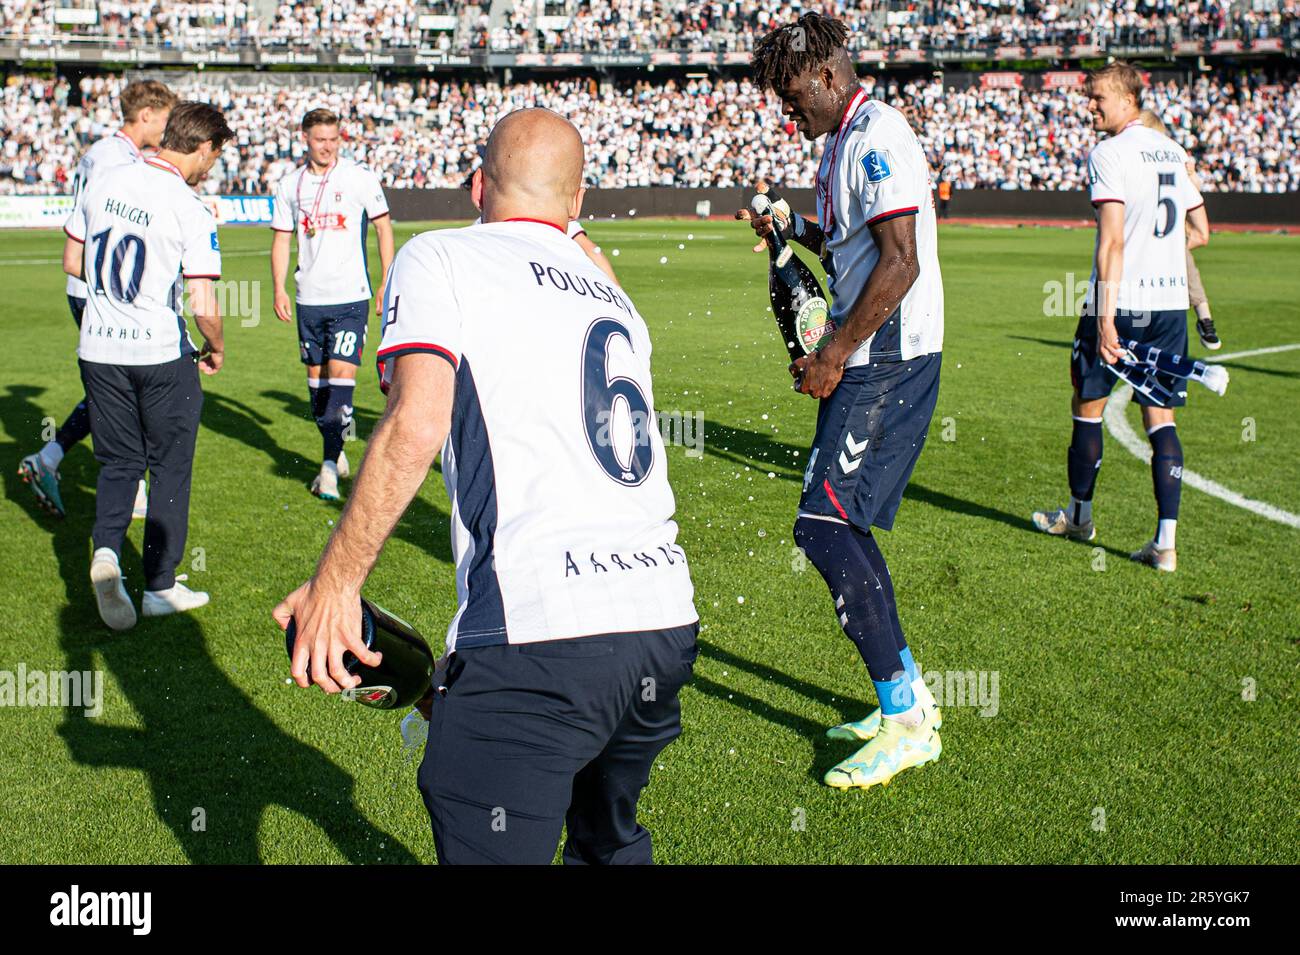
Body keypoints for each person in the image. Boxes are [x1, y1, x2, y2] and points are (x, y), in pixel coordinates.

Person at [274, 108, 699, 865]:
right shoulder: (613, 294)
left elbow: (416, 420)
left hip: (540, 634)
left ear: (477, 185)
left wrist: (337, 583)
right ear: (578, 202)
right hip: (661, 623)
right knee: (609, 843)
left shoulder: (441, 256)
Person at [737, 13, 945, 791]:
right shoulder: (842, 142)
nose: (792, 114)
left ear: (828, 77)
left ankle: (906, 720)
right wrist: (795, 228)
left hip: (885, 360)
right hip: (870, 358)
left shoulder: (877, 136)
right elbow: (854, 248)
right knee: (838, 522)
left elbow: (901, 265)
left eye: (795, 98)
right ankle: (909, 693)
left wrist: (830, 354)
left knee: (821, 528)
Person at [1032, 63, 1209, 572]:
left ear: (1129, 100)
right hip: (1170, 305)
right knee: (1161, 416)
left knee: (1087, 405)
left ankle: (1080, 518)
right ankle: (1166, 545)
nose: (1090, 105)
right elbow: (1200, 230)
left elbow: (1111, 242)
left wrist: (1106, 318)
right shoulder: (1173, 151)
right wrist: (1159, 250)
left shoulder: (1109, 153)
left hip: (1120, 303)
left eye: (1098, 97)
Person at [62, 102, 232, 630]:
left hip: (98, 347)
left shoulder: (106, 180)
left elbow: (73, 261)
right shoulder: (189, 206)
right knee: (170, 467)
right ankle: (159, 585)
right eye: (215, 156)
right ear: (202, 148)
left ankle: (108, 550)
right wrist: (217, 346)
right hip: (160, 354)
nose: (212, 167)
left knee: (117, 463)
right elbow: (202, 303)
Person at [20, 80, 177, 519]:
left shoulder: (106, 153)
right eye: (164, 119)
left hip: (93, 286)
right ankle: (129, 484)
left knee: (118, 389)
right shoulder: (115, 161)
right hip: (100, 287)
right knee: (131, 385)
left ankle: (52, 459)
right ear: (145, 114)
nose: (166, 129)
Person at [270, 108, 395, 501]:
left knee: (341, 383)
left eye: (333, 139)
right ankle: (336, 445)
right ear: (305, 138)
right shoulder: (289, 185)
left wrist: (386, 281)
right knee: (319, 394)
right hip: (310, 299)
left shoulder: (358, 178)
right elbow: (281, 240)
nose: (327, 147)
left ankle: (328, 467)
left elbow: (383, 226)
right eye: (319, 139)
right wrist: (278, 288)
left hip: (350, 298)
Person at [1136, 109, 1220, 351]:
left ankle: (1205, 318)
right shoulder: (1171, 152)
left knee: (1185, 265)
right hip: (1159, 228)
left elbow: (1194, 192)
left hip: (1166, 228)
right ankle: (1204, 318)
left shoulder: (1164, 155)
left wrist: (1191, 175)